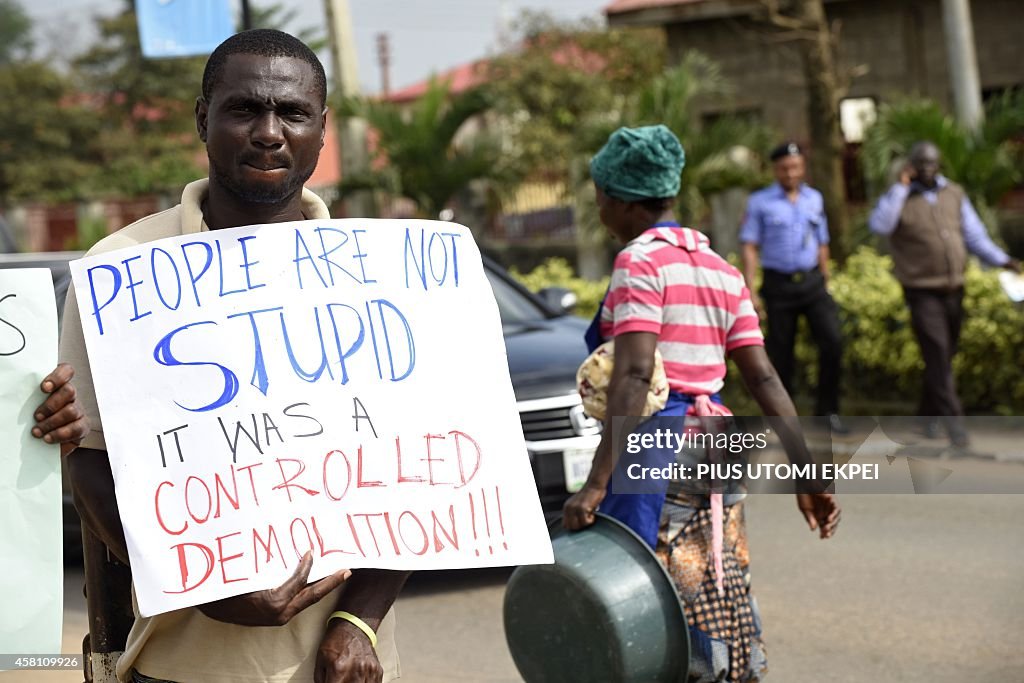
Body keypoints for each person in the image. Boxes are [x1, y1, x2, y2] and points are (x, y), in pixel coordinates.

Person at [59, 30, 405, 683]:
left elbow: (429, 475)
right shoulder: (118, 272)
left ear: (323, 129)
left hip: (344, 666)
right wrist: (201, 583)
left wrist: (356, 622)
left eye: (293, 113)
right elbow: (90, 463)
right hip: (178, 662)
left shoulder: (381, 276)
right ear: (202, 119)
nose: (270, 132)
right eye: (245, 109)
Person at [563, 125, 840, 682]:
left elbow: (637, 371)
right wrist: (808, 475)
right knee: (716, 581)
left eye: (599, 202)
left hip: (661, 447)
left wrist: (595, 484)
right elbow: (764, 379)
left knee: (649, 598)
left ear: (619, 201)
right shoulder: (722, 268)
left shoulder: (639, 262)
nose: (600, 214)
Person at [868, 141, 1020, 447]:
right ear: (911, 167)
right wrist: (901, 187)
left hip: (954, 288)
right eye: (920, 164)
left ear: (939, 165)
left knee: (943, 357)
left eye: (932, 163)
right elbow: (881, 225)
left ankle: (927, 419)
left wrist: (1004, 260)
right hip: (921, 291)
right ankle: (956, 429)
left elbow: (975, 236)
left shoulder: (953, 193)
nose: (927, 169)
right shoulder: (899, 197)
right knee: (938, 354)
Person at [740, 142, 846, 433]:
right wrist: (751, 290)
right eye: (785, 167)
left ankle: (828, 412)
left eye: (796, 166)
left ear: (803, 167)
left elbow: (821, 241)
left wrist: (825, 278)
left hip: (812, 283)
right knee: (781, 354)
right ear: (776, 170)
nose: (791, 173)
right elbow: (749, 246)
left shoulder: (814, 199)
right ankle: (782, 420)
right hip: (779, 285)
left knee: (833, 342)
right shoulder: (760, 202)